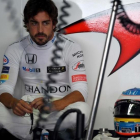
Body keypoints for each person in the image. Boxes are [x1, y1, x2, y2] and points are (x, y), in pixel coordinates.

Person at [0, 0, 90, 139]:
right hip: (28, 111)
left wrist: (54, 105)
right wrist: (13, 103)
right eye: (34, 23)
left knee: (82, 113)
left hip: (58, 110)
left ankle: (32, 134)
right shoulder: (15, 49)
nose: (40, 30)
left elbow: (81, 91)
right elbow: (4, 89)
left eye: (46, 23)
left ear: (54, 24)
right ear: (27, 25)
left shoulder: (71, 47)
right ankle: (43, 134)